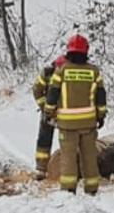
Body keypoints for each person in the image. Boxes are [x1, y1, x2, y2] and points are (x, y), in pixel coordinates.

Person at [45, 34, 107, 195]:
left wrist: (49, 112)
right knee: (89, 157)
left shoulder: (61, 71)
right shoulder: (94, 72)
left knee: (68, 157)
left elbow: (52, 94)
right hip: (88, 124)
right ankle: (92, 188)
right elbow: (101, 96)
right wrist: (101, 115)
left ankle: (68, 189)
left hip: (67, 125)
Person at [30, 50, 68, 179]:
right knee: (44, 139)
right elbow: (37, 90)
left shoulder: (69, 73)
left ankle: (67, 167)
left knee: (68, 140)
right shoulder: (47, 73)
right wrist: (45, 107)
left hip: (66, 112)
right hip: (49, 111)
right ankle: (41, 168)